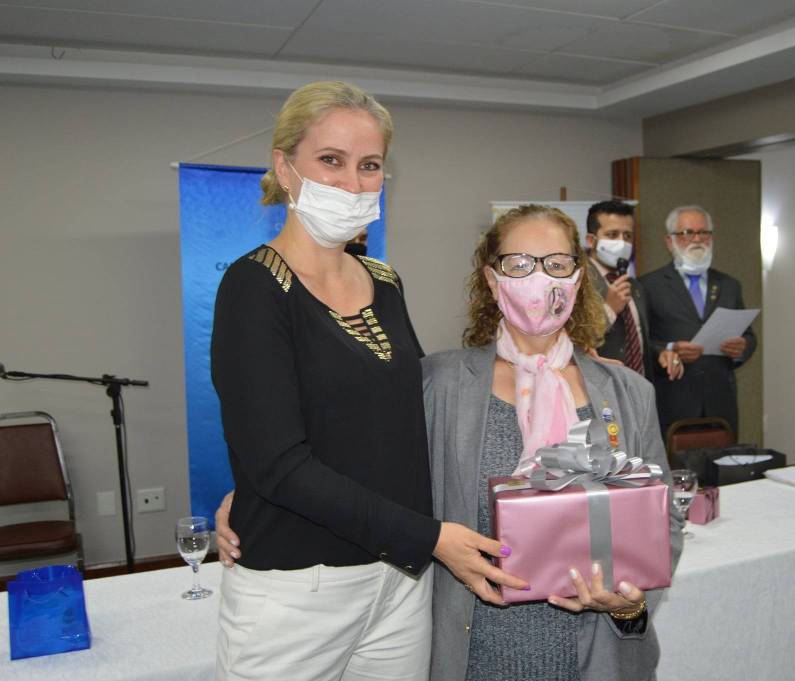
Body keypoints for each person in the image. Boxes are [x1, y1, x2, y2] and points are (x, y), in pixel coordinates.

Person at [218, 205, 682, 681]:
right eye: (519, 264)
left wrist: (629, 605)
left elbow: (663, 521)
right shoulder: (438, 385)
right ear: (492, 279)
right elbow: (362, 454)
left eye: (557, 264)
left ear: (579, 278)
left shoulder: (626, 392)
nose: (540, 278)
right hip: (474, 659)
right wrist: (250, 497)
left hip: (598, 660)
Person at [210, 80, 523, 681]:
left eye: (370, 165)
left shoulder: (384, 281)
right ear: (285, 166)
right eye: (331, 160)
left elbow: (413, 411)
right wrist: (430, 537)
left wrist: (564, 367)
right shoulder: (254, 288)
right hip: (299, 587)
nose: (353, 183)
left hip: (399, 580)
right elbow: (278, 464)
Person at [640, 205, 757, 435]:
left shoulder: (729, 285)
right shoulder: (648, 285)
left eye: (703, 232)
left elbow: (749, 336)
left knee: (724, 459)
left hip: (720, 405)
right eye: (687, 233)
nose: (697, 239)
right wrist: (669, 349)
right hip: (672, 402)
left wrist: (742, 347)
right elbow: (640, 342)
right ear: (669, 241)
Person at [584, 200, 682, 382]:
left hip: (639, 389)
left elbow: (638, 340)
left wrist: (660, 354)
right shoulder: (577, 283)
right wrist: (609, 309)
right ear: (591, 240)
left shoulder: (636, 287)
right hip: (600, 390)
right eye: (612, 235)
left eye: (627, 236)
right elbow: (572, 343)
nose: (622, 243)